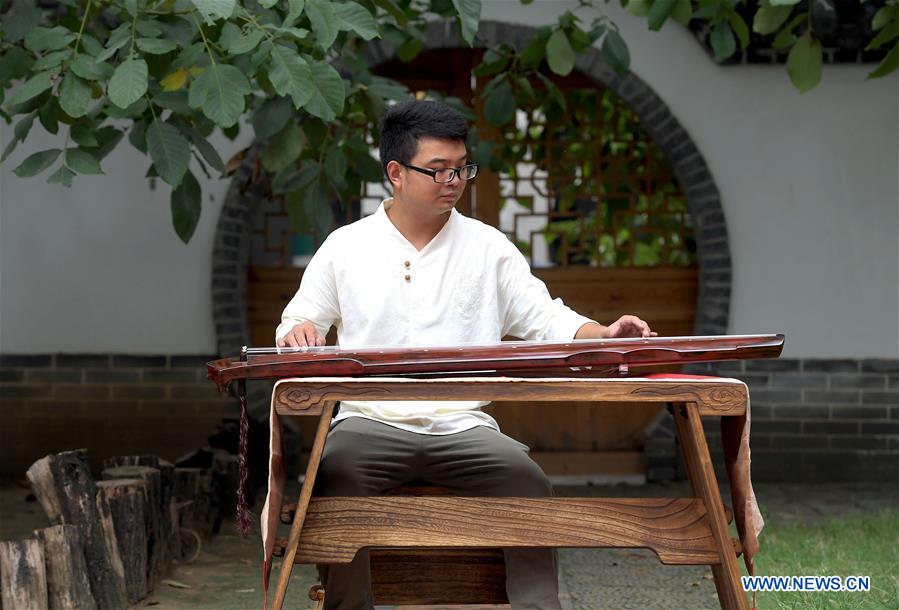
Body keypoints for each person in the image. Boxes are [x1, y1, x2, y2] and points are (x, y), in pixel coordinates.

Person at [276, 99, 655, 610]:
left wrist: (605, 334)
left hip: (463, 423)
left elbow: (545, 319)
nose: (453, 181)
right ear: (396, 172)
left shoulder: (487, 246)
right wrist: (300, 331)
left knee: (527, 481)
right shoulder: (346, 247)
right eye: (438, 170)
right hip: (369, 420)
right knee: (335, 476)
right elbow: (300, 322)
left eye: (461, 169)